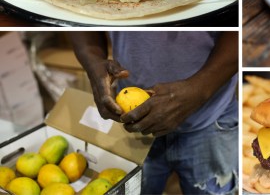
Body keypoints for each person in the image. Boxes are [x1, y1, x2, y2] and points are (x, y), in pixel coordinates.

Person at [71, 31, 238, 195]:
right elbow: (80, 20)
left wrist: (199, 89)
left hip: (211, 118)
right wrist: (93, 61)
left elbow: (240, 32)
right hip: (135, 124)